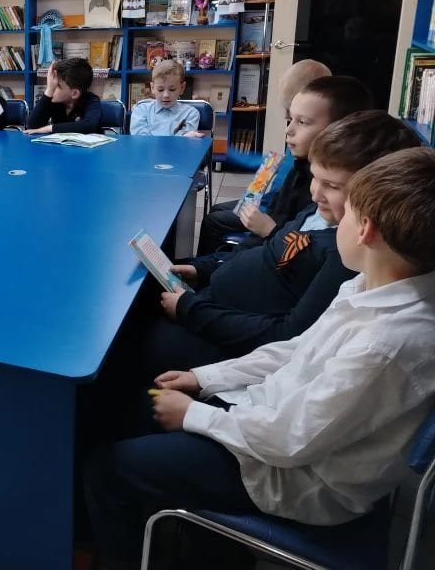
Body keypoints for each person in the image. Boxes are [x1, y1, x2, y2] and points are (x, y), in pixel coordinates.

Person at [84, 146, 435, 569]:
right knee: (127, 408)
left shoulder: (385, 344)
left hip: (292, 477)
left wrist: (193, 415)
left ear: (366, 231)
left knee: (107, 469)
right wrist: (204, 378)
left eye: (346, 215)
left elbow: (289, 441)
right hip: (264, 421)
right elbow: (295, 350)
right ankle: (198, 543)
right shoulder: (369, 284)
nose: (333, 219)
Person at [147, 111, 420, 376]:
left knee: (138, 339)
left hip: (228, 343)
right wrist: (204, 269)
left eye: (333, 186)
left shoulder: (347, 255)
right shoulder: (316, 214)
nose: (315, 193)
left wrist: (190, 311)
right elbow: (266, 251)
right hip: (210, 304)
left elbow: (288, 335)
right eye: (315, 177)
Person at [196, 73, 372, 255]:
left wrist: (269, 231)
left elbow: (293, 251)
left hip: (268, 237)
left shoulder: (316, 189)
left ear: (338, 130)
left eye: (302, 121)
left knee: (213, 221)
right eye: (290, 118)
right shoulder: (299, 164)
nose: (288, 130)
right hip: (265, 231)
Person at [24, 58, 102, 135]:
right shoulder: (54, 100)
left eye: (57, 85)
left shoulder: (91, 100)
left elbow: (89, 126)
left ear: (74, 93)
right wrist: (49, 91)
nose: (52, 87)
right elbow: (32, 126)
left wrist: (50, 128)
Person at [129, 59, 203, 137]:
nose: (166, 95)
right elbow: (140, 138)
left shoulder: (191, 113)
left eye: (172, 89)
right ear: (152, 88)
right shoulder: (141, 110)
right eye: (160, 90)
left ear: (182, 88)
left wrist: (185, 137)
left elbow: (183, 141)